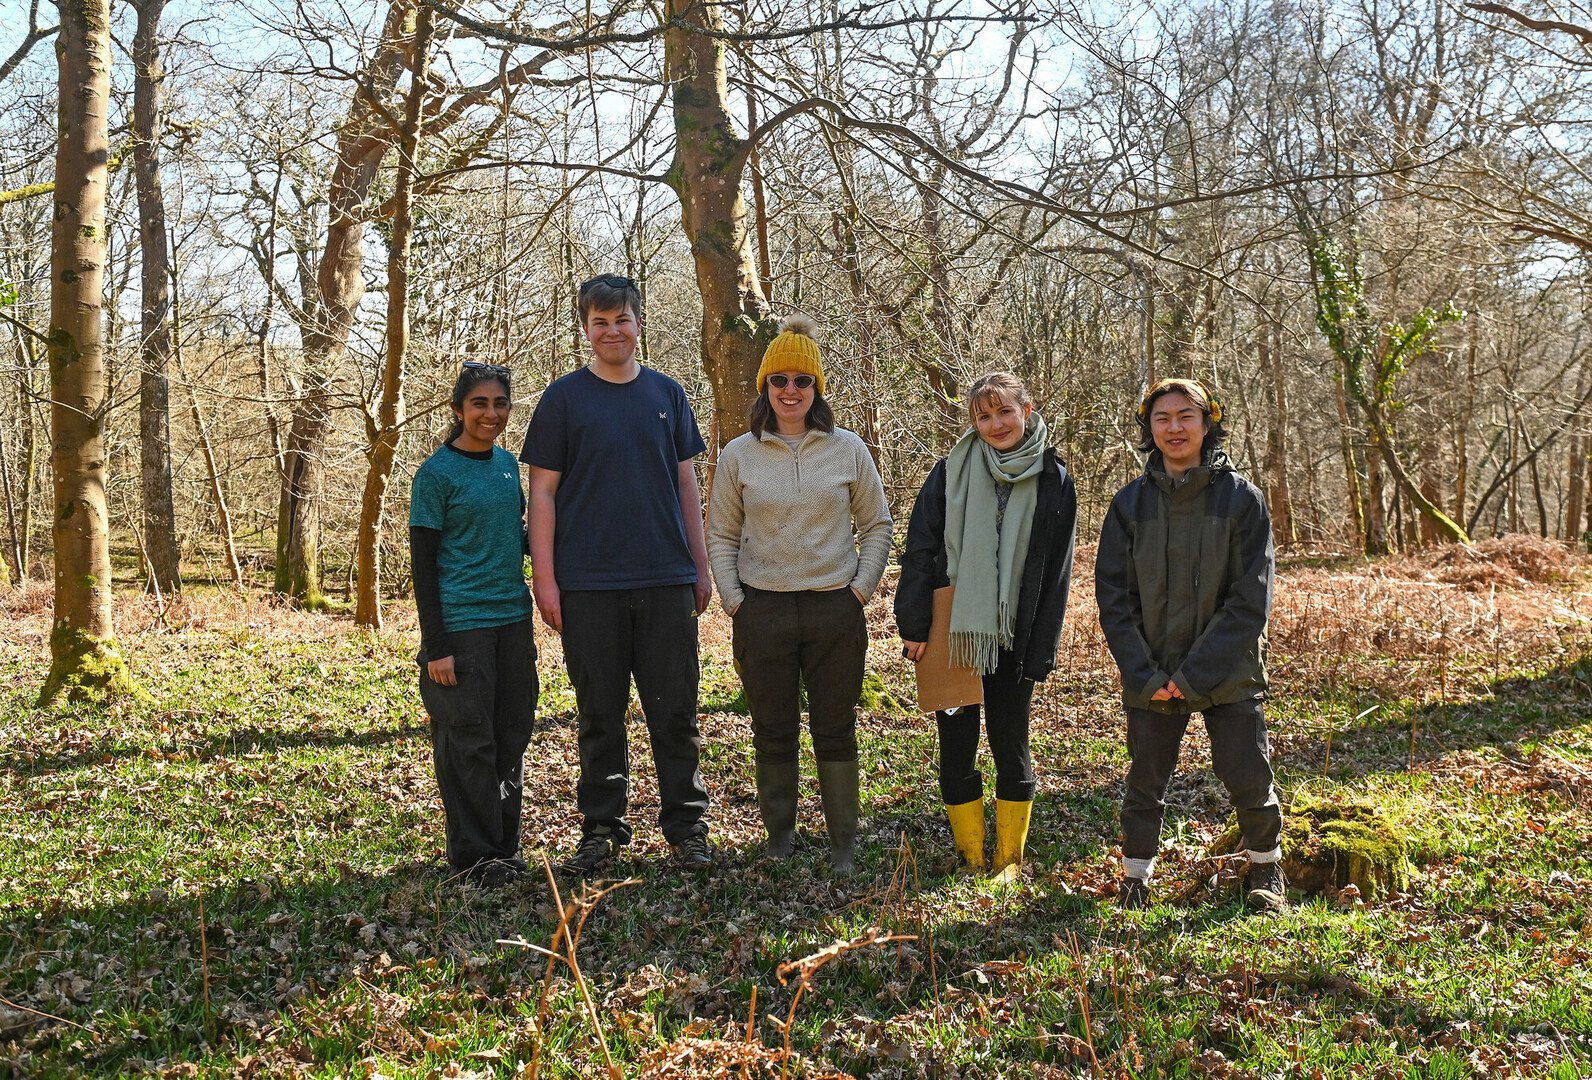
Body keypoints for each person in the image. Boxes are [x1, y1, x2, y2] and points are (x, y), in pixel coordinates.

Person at [521, 274, 715, 876]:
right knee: (600, 713)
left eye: (621, 319)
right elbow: (543, 494)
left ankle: (687, 828)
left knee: (675, 710)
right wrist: (546, 580)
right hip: (588, 585)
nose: (611, 331)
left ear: (638, 323)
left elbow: (686, 484)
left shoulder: (668, 394)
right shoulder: (563, 400)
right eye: (599, 322)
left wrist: (699, 565)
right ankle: (601, 830)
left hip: (664, 579)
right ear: (585, 329)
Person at [706, 316, 892, 873]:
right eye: (780, 380)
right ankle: (779, 838)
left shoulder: (848, 449)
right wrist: (735, 600)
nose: (791, 390)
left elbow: (877, 524)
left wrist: (860, 590)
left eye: (802, 381)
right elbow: (720, 532)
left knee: (835, 727)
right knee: (773, 727)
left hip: (834, 608)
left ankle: (843, 845)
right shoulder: (739, 454)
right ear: (764, 387)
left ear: (817, 389)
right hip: (762, 609)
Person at [1094, 378, 1286, 912]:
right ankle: (1135, 878)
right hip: (1151, 674)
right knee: (1145, 778)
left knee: (1246, 770)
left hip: (1228, 671)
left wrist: (1195, 674)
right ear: (1148, 428)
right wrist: (1146, 673)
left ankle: (1266, 870)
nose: (1174, 427)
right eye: (1162, 418)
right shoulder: (1129, 504)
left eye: (1185, 416)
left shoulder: (1242, 500)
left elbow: (1251, 599)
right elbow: (1114, 598)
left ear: (1208, 423)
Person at [895, 372, 1078, 878]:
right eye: (983, 415)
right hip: (953, 626)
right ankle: (971, 852)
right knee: (955, 744)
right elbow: (921, 549)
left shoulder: (1054, 479)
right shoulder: (948, 471)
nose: (995, 424)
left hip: (1016, 629)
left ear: (1028, 408)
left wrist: (1042, 648)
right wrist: (913, 624)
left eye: (1004, 411)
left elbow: (1057, 572)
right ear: (972, 421)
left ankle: (1009, 859)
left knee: (1009, 740)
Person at [410, 362, 539, 889]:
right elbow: (423, 562)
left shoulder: (509, 467)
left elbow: (520, 539)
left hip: (514, 620)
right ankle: (475, 856)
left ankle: (505, 848)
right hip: (462, 628)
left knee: (511, 736)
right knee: (469, 742)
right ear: (459, 409)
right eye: (480, 404)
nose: (490, 414)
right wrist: (434, 644)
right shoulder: (436, 474)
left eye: (500, 404)